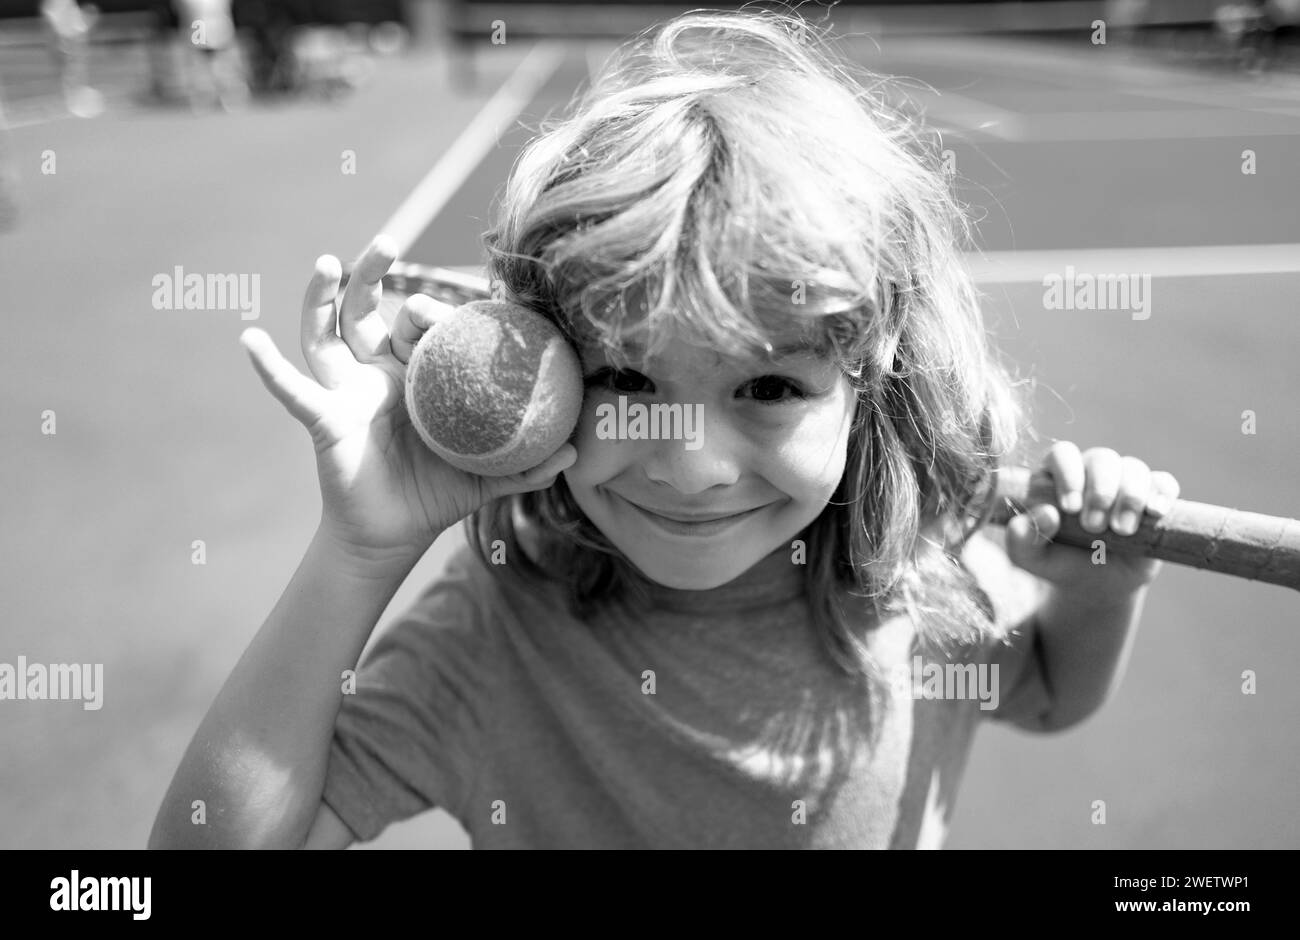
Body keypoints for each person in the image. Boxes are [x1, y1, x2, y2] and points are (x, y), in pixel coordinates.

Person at [148, 9, 1181, 850]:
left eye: (770, 387)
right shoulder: (495, 635)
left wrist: (1096, 594)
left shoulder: (922, 581)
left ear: (873, 385)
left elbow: (1044, 691)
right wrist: (359, 550)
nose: (690, 468)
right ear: (545, 369)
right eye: (627, 378)